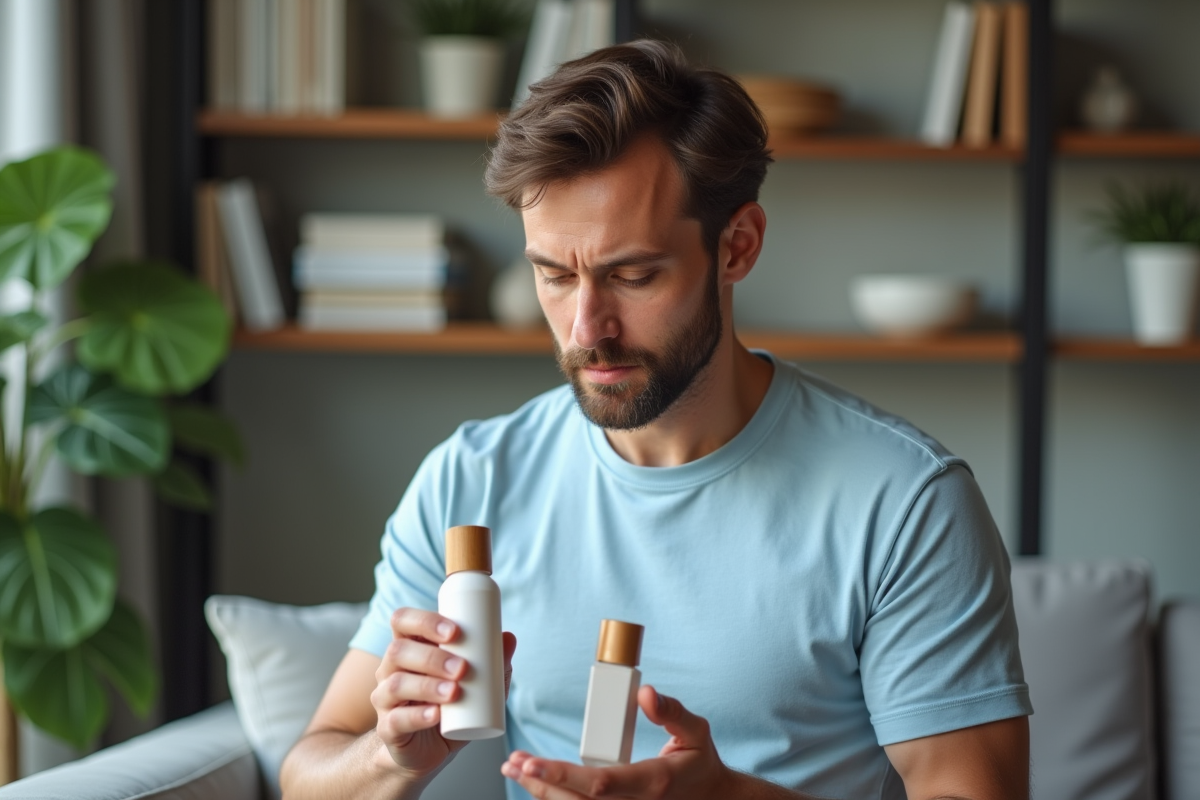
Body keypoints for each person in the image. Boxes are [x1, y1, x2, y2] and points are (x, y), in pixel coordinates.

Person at [279, 40, 1032, 800]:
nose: (585, 329)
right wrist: (390, 758)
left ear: (736, 247)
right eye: (553, 275)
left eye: (631, 275)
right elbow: (308, 774)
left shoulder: (904, 500)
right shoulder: (471, 480)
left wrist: (730, 798)